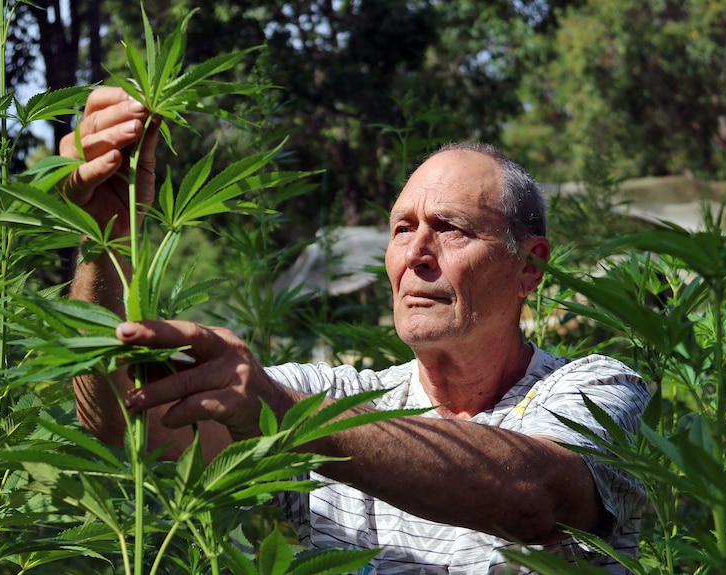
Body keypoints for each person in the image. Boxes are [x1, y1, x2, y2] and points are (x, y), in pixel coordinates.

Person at [61, 87, 651, 575]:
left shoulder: (595, 388)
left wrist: (291, 419)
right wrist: (104, 241)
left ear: (530, 266)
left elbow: (538, 497)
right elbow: (125, 424)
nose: (416, 253)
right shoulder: (330, 395)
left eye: (450, 228)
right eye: (401, 228)